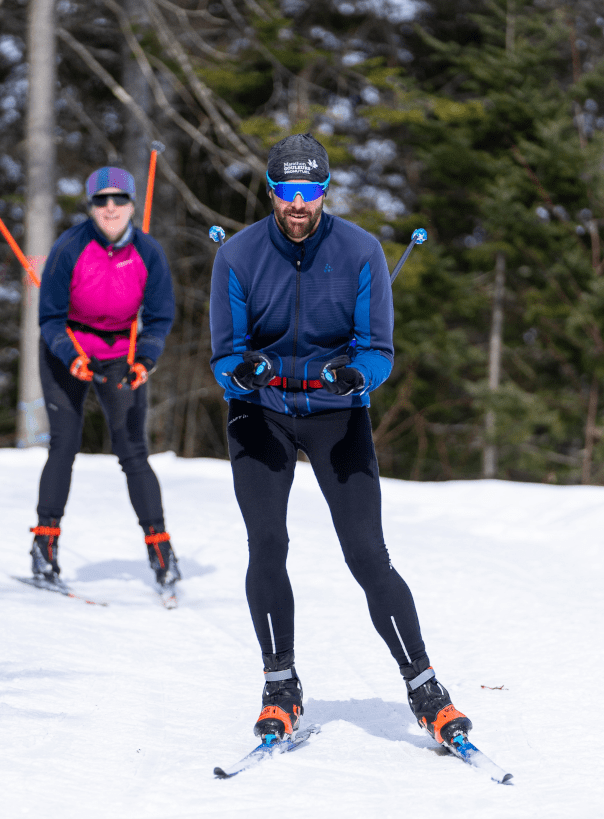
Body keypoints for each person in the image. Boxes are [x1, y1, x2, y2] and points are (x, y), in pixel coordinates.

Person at [209, 134, 471, 746]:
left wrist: (359, 376)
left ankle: (424, 686)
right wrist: (242, 374)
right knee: (267, 544)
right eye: (287, 191)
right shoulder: (238, 255)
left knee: (367, 554)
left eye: (310, 190)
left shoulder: (360, 250)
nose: (298, 203)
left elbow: (378, 349)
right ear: (271, 192)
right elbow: (225, 355)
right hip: (262, 411)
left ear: (325, 190)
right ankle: (280, 685)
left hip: (337, 412)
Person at [30, 165, 181, 597]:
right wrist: (70, 355)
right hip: (68, 349)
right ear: (91, 206)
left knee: (132, 449)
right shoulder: (69, 247)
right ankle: (44, 545)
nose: (110, 208)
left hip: (121, 353)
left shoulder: (148, 253)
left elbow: (159, 317)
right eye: (101, 200)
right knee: (64, 444)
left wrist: (145, 359)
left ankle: (160, 549)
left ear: (132, 204)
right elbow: (50, 317)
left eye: (119, 199)